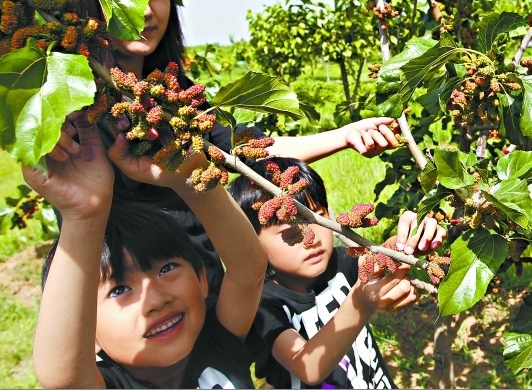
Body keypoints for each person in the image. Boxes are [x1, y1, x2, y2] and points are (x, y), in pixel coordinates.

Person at [44, 0, 402, 300]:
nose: (148, 12)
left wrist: (347, 135)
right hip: (126, 293)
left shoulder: (173, 94)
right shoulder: (68, 102)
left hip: (207, 279)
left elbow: (244, 150)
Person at [25, 123, 268, 388]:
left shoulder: (219, 342)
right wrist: (82, 217)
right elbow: (63, 378)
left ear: (202, 279)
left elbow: (248, 269)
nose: (156, 300)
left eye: (166, 269)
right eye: (119, 290)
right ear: (87, 334)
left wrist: (190, 180)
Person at [228, 156, 447, 389]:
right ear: (252, 246)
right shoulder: (262, 306)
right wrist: (360, 304)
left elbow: (381, 257)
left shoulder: (341, 262)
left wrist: (409, 238)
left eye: (319, 218)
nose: (311, 239)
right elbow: (308, 368)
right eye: (291, 234)